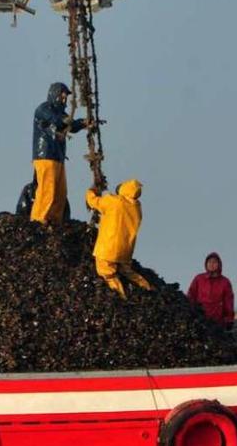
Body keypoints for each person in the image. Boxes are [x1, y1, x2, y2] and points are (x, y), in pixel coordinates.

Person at [86, 180, 154, 299]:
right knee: (127, 271)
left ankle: (120, 296)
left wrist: (91, 191)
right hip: (126, 249)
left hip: (108, 247)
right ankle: (147, 287)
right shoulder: (137, 207)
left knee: (107, 273)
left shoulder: (114, 201)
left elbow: (94, 202)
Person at [31, 82, 86, 224]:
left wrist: (83, 123)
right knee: (47, 191)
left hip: (58, 157)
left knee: (60, 193)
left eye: (66, 95)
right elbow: (57, 120)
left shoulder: (61, 113)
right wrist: (69, 121)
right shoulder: (43, 109)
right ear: (54, 93)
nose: (64, 98)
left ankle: (54, 220)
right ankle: (38, 219)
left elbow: (71, 126)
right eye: (62, 94)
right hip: (45, 156)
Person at [187, 253, 234, 329]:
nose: (211, 264)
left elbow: (229, 302)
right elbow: (191, 295)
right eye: (209, 262)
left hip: (218, 321)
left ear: (219, 264)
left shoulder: (225, 282)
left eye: (214, 262)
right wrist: (190, 313)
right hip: (200, 319)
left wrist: (229, 319)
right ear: (206, 264)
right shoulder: (198, 279)